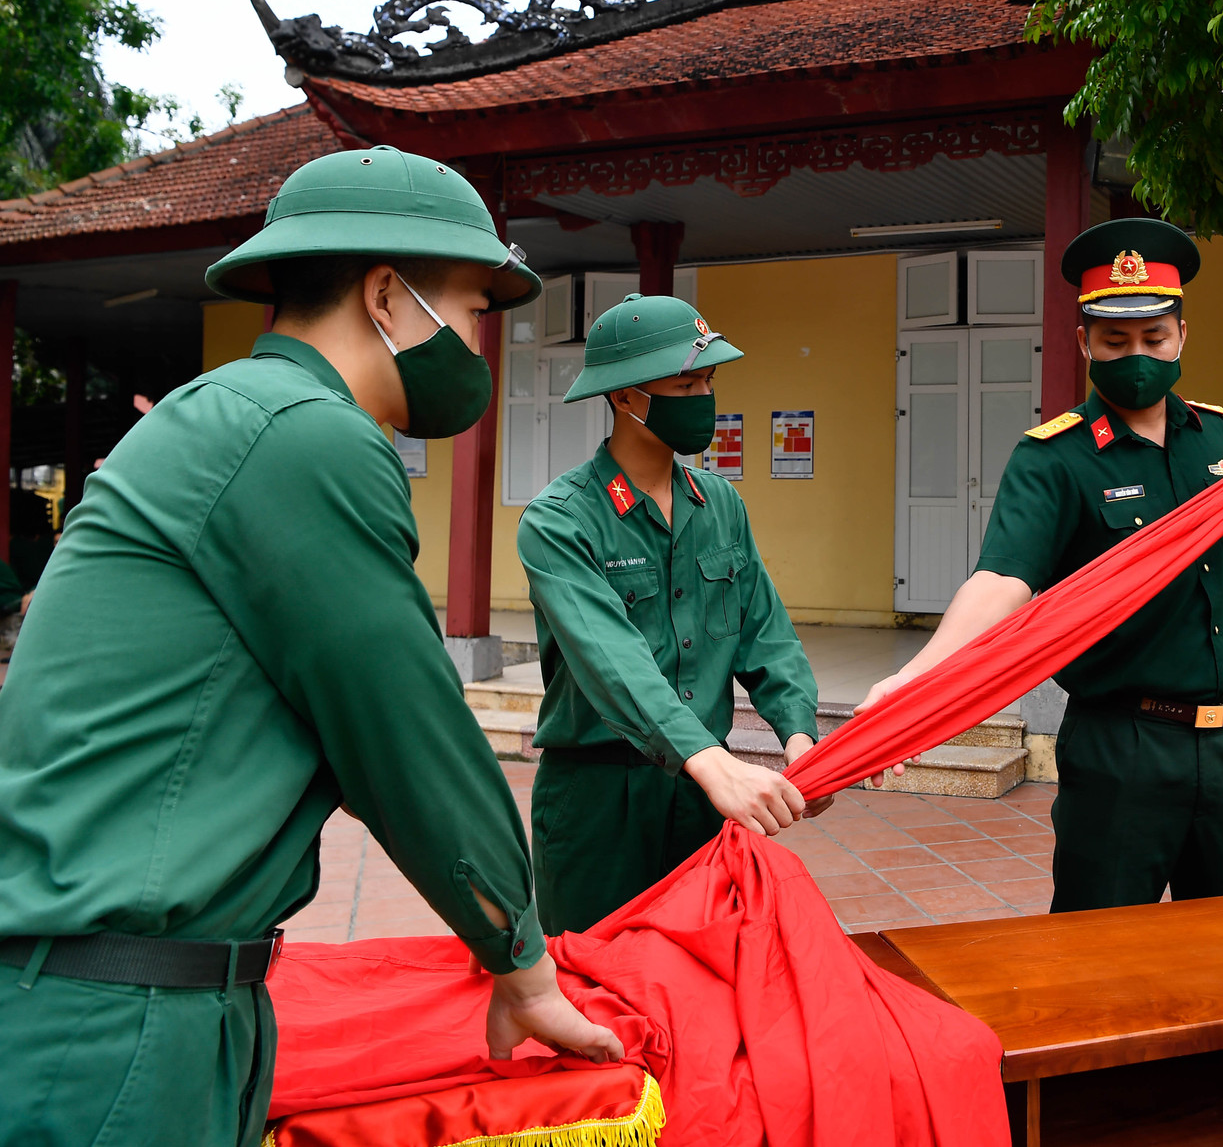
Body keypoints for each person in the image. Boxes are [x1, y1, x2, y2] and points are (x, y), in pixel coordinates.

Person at [0, 146, 621, 1147]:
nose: (478, 343)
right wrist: (522, 961)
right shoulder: (301, 433)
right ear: (387, 297)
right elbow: (406, 734)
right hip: (117, 1022)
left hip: (112, 990)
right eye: (471, 309)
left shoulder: (227, 413)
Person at [862, 217, 1223, 911]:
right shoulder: (1055, 458)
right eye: (1115, 341)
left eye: (1154, 337)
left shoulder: (1216, 439)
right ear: (1084, 342)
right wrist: (915, 677)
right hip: (1123, 749)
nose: (1137, 354)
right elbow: (1002, 579)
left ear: (1181, 337)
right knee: (1099, 953)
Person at [519, 294, 827, 935]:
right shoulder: (559, 521)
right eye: (686, 385)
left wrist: (800, 738)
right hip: (599, 802)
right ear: (625, 396)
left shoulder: (719, 505)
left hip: (701, 801)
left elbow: (765, 634)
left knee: (704, 970)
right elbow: (613, 662)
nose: (704, 398)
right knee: (592, 976)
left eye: (709, 381)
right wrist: (711, 762)